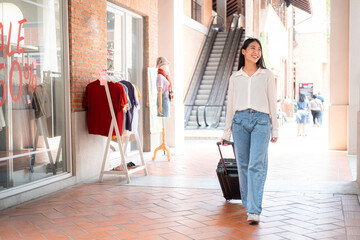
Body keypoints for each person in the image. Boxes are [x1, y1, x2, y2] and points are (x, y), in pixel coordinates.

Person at [220, 38, 278, 224]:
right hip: (239, 121)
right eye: (253, 48)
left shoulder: (267, 75)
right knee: (243, 165)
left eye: (259, 49)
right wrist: (226, 132)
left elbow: (272, 103)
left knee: (256, 165)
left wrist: (274, 129)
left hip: (261, 121)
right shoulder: (235, 77)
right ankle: (248, 201)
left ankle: (254, 209)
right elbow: (230, 106)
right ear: (243, 51)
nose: (256, 52)